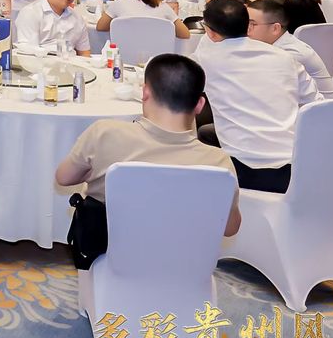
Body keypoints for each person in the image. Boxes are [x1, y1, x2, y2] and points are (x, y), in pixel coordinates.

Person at [54, 53, 241, 240]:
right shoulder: (219, 163)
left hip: (111, 254)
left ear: (145, 92)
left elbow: (64, 177)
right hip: (188, 257)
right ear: (200, 105)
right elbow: (230, 228)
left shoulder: (104, 134)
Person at [195, 0, 319, 192]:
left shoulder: (205, 60)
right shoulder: (284, 57)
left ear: (210, 32)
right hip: (293, 167)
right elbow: (316, 103)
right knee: (207, 132)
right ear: (248, 26)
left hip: (243, 170)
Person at [248, 0, 333, 99]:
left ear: (275, 28)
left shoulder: (290, 54)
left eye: (252, 24)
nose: (245, 28)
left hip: (320, 107)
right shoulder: (276, 45)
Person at [12, 0, 90, 55]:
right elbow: (29, 53)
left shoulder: (77, 18)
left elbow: (84, 53)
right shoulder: (31, 13)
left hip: (70, 61)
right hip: (39, 62)